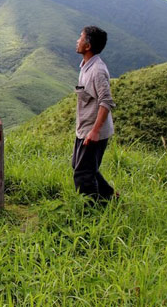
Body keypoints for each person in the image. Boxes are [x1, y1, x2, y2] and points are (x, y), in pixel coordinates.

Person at [72, 26, 117, 204]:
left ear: (88, 45)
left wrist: (95, 131)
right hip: (84, 128)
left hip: (93, 131)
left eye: (80, 38)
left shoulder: (97, 70)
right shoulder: (85, 66)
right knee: (81, 165)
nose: (77, 40)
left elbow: (106, 102)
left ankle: (92, 211)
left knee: (83, 173)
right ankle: (108, 196)